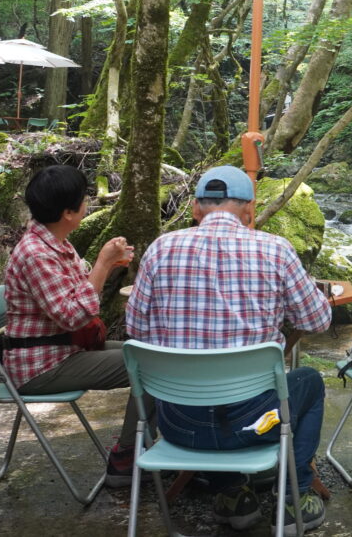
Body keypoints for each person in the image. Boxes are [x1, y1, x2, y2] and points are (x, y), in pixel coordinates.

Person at [126, 165, 332, 534]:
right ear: (250, 210)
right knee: (309, 382)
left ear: (195, 208)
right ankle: (296, 495)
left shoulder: (161, 248)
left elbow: (136, 332)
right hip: (256, 425)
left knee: (203, 391)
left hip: (179, 426)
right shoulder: (275, 250)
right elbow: (317, 321)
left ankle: (233, 495)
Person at [4, 164, 144, 488]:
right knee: (150, 365)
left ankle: (142, 447)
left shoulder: (56, 241)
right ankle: (126, 459)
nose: (88, 204)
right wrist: (104, 263)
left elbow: (78, 289)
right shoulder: (35, 254)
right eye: (83, 199)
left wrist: (105, 266)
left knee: (148, 354)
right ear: (68, 212)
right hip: (41, 366)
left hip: (63, 349)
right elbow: (72, 315)